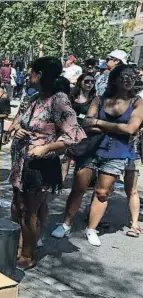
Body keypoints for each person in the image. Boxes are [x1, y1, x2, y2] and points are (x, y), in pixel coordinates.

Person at [7, 56, 85, 268]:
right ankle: (19, 245)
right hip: (22, 163)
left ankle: (28, 254)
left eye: (31, 71)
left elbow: (75, 135)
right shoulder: (35, 99)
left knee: (28, 211)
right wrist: (18, 130)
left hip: (40, 166)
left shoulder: (58, 99)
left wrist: (46, 148)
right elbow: (21, 122)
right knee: (19, 208)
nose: (28, 74)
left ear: (39, 75)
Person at [55, 65, 143, 244]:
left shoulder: (137, 103)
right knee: (78, 188)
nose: (129, 80)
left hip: (117, 153)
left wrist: (99, 123)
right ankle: (66, 223)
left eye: (132, 77)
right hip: (91, 148)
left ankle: (91, 228)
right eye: (125, 76)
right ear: (115, 79)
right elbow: (87, 123)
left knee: (103, 192)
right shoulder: (100, 99)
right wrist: (118, 128)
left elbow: (131, 128)